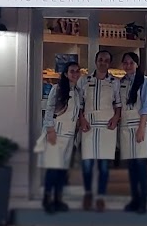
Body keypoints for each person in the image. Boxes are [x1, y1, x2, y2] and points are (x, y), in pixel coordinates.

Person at [34, 61, 81, 214]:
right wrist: (50, 130)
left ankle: (58, 199)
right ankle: (47, 200)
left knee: (62, 171)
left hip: (69, 136)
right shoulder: (57, 89)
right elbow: (49, 110)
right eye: (72, 71)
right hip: (56, 133)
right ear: (66, 74)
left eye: (77, 71)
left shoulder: (78, 92)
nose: (75, 74)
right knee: (53, 169)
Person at [78, 50, 121, 212]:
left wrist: (116, 118)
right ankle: (88, 193)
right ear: (96, 61)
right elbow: (79, 104)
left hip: (107, 126)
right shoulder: (85, 81)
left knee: (104, 165)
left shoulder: (114, 82)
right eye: (100, 59)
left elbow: (118, 104)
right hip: (88, 125)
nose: (103, 62)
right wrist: (81, 119)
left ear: (109, 63)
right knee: (87, 163)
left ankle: (101, 196)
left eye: (106, 60)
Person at [119, 52, 147, 214]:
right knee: (131, 166)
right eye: (125, 63)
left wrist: (141, 129)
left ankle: (143, 202)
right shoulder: (121, 82)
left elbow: (146, 106)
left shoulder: (144, 81)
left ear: (137, 64)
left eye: (131, 63)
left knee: (141, 165)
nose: (128, 66)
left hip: (141, 125)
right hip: (126, 127)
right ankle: (134, 199)